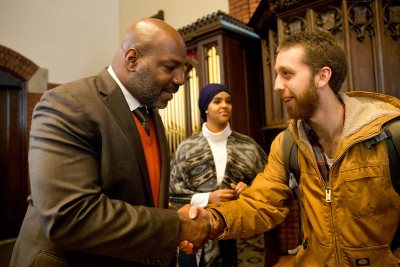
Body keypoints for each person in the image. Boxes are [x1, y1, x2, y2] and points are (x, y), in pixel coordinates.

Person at [182, 30, 400, 266]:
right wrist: (211, 220)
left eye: (287, 74)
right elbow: (261, 204)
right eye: (277, 75)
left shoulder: (391, 133)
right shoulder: (287, 143)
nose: (276, 85)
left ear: (322, 76)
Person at [10, 18, 210, 267]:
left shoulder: (151, 114)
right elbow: (69, 217)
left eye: (184, 69)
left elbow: (136, 199)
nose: (181, 79)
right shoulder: (67, 104)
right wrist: (174, 226)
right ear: (132, 59)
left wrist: (171, 221)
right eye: (170, 67)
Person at [169, 83, 267, 266]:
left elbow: (270, 185)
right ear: (205, 107)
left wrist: (250, 189)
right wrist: (207, 197)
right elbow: (172, 195)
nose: (224, 105)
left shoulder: (249, 146)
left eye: (228, 101)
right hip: (199, 237)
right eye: (217, 101)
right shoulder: (186, 149)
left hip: (243, 236)